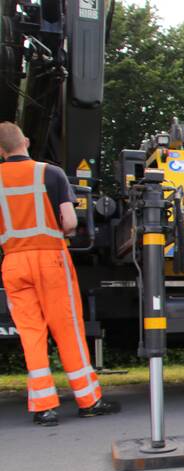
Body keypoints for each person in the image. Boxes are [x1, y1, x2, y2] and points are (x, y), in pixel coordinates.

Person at [0, 122, 119, 425]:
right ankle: (88, 399)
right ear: (25, 141)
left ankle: (43, 407)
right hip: (51, 257)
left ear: (0, 152)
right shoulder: (49, 173)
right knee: (68, 328)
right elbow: (67, 221)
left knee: (31, 333)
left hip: (13, 261)